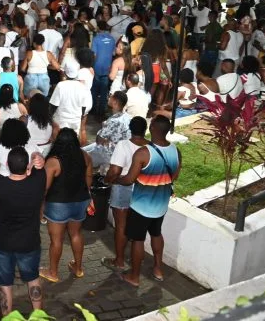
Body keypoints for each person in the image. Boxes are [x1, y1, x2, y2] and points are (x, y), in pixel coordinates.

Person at [115, 115, 181, 287]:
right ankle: (158, 269)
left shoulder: (144, 152)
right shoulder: (175, 151)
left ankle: (134, 276)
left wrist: (117, 179)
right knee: (156, 233)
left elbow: (129, 179)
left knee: (138, 240)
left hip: (141, 206)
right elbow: (175, 176)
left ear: (151, 129)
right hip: (161, 205)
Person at [0, 147, 48, 315]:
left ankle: (7, 317)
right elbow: (39, 166)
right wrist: (37, 158)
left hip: (3, 243)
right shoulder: (38, 182)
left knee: (5, 284)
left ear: (7, 164)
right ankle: (38, 315)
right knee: (33, 278)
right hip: (29, 242)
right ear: (27, 166)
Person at [39, 128, 92, 283]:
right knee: (76, 234)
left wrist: (40, 206)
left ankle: (53, 272)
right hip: (80, 201)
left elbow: (45, 188)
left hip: (58, 204)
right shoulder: (85, 156)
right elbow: (89, 179)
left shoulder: (53, 161)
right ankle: (78, 268)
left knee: (56, 240)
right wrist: (86, 195)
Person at [102, 116, 148, 273]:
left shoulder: (123, 145)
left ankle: (119, 260)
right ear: (145, 130)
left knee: (121, 226)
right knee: (135, 226)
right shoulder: (150, 146)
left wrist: (108, 180)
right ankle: (133, 258)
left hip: (123, 186)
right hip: (143, 189)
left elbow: (115, 170)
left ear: (130, 129)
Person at [83, 91, 131, 172]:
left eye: (110, 96)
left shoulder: (114, 121)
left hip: (109, 154)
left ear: (115, 102)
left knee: (80, 157)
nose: (108, 98)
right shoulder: (127, 117)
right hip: (120, 152)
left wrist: (103, 126)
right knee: (82, 150)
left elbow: (98, 140)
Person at [49, 59, 92, 145]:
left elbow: (53, 105)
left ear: (64, 73)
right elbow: (83, 107)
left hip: (60, 121)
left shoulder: (61, 85)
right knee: (72, 143)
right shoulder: (82, 86)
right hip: (75, 120)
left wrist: (49, 119)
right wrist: (79, 117)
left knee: (59, 144)